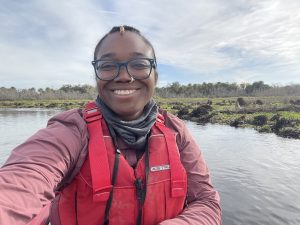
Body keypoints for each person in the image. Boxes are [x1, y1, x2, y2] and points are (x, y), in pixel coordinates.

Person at [0, 25, 221, 225]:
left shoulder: (176, 131)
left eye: (139, 64)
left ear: (155, 73)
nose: (124, 76)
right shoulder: (71, 131)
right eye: (107, 66)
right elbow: (23, 179)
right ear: (96, 75)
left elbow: (207, 201)